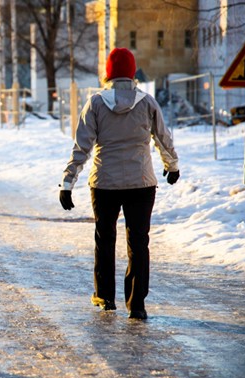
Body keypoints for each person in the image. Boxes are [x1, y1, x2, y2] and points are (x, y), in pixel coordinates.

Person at [59, 48, 179, 320]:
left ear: (109, 73)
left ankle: (105, 297)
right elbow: (163, 138)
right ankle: (137, 305)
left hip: (104, 184)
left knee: (105, 238)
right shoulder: (147, 102)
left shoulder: (96, 103)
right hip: (141, 183)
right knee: (139, 242)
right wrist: (172, 166)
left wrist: (67, 183)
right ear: (132, 72)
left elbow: (82, 147)